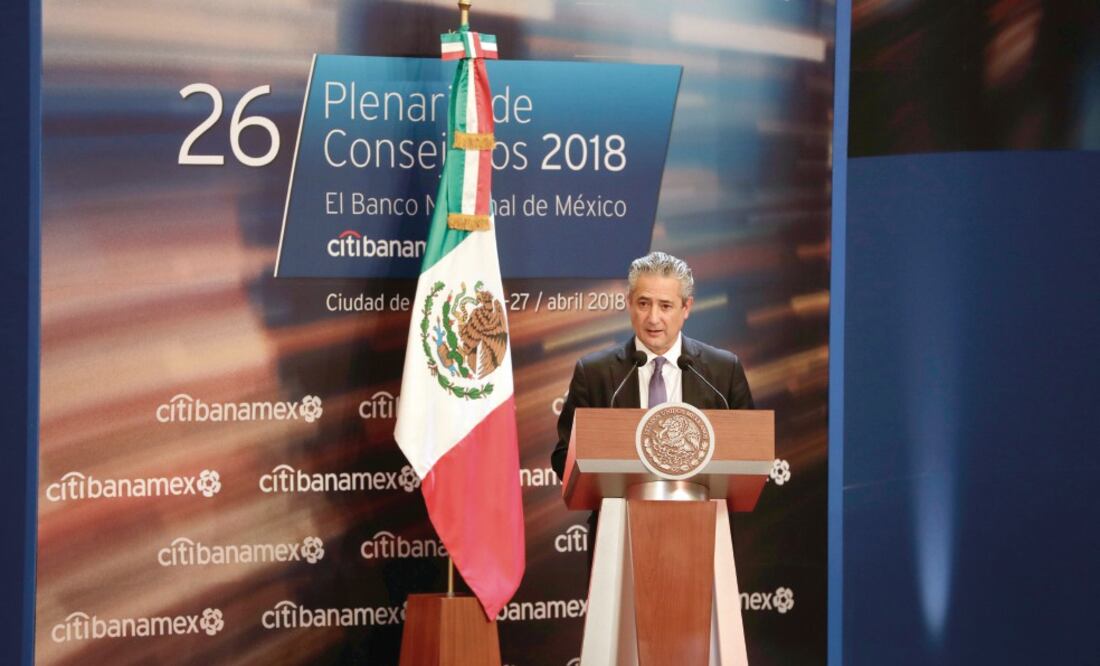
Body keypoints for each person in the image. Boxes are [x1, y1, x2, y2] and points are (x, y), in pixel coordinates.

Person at [550, 251, 754, 483]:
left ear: (686, 307)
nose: (653, 318)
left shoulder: (723, 371)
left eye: (665, 306)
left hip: (705, 513)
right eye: (644, 304)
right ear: (629, 303)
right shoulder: (594, 372)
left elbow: (750, 453)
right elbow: (563, 457)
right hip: (618, 515)